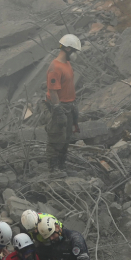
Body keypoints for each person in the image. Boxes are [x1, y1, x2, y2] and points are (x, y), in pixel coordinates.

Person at [45, 34, 81, 172]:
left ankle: (61, 166)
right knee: (56, 138)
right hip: (59, 107)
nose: (75, 54)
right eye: (74, 51)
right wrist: (58, 111)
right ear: (67, 49)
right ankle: (53, 170)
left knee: (66, 138)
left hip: (69, 105)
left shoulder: (67, 64)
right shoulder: (55, 67)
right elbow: (53, 92)